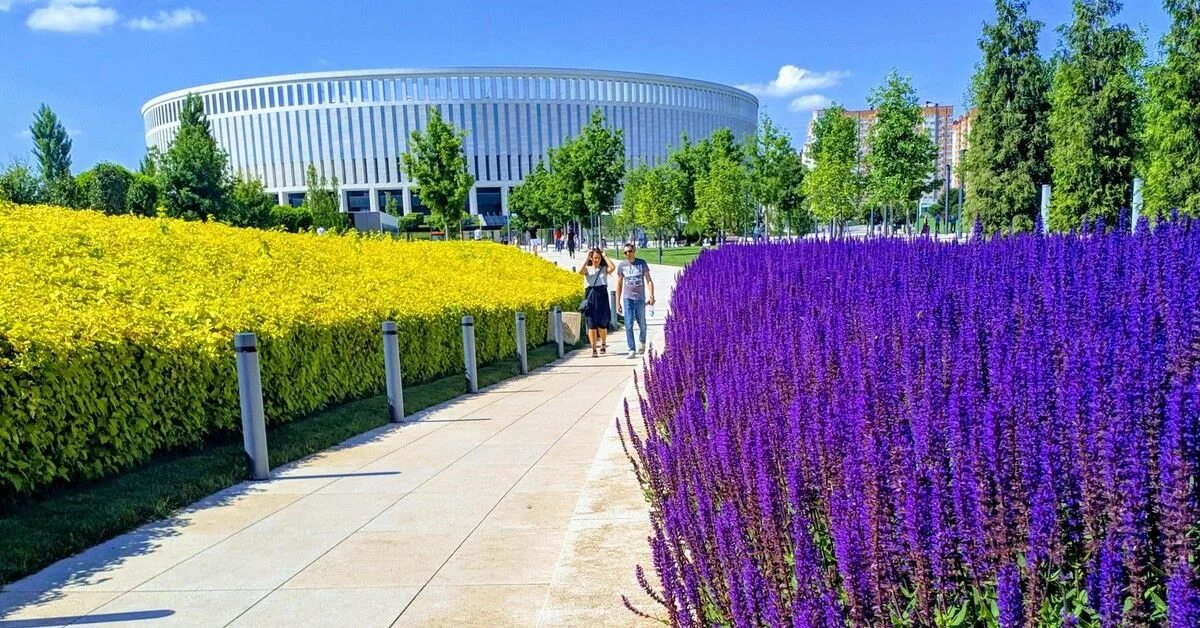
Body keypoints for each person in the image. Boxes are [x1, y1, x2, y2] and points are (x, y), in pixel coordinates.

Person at [615, 243, 655, 359]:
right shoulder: (622, 266)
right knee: (628, 324)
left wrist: (651, 295)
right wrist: (617, 302)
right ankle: (631, 348)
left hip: (640, 298)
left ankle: (642, 341)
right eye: (625, 252)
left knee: (642, 322)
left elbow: (649, 280)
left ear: (634, 251)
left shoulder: (641, 263)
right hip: (628, 298)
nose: (628, 254)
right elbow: (619, 284)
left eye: (630, 251)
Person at [578, 247, 614, 357]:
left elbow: (612, 267)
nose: (596, 260)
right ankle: (593, 349)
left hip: (602, 296)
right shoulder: (588, 269)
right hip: (591, 296)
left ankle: (603, 343)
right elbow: (580, 271)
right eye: (594, 258)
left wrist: (605, 255)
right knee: (591, 324)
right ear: (591, 258)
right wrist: (587, 258)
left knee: (602, 323)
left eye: (598, 258)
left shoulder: (603, 269)